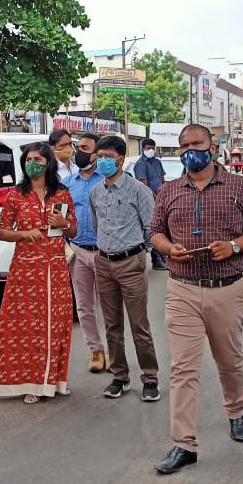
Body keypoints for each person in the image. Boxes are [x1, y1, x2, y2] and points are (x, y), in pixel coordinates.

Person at [149, 124, 243, 475]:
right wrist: (168, 248)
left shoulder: (239, 186)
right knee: (182, 368)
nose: (191, 150)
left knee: (229, 360)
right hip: (182, 289)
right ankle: (183, 444)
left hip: (228, 289)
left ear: (213, 146)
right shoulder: (168, 191)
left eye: (197, 143)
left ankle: (237, 411)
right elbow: (155, 232)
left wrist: (234, 246)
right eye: (184, 145)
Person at [0, 142, 78, 404]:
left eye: (37, 159)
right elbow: (2, 231)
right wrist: (24, 234)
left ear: (48, 162)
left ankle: (55, 380)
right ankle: (31, 382)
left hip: (56, 266)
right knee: (27, 325)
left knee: (56, 323)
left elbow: (73, 231)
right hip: (25, 269)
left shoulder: (61, 193)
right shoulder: (16, 195)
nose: (32, 163)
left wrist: (65, 223)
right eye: (28, 160)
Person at [88, 136, 161, 402]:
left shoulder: (138, 190)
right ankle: (120, 376)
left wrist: (141, 254)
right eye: (99, 156)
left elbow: (151, 227)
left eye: (107, 156)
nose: (102, 160)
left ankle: (150, 377)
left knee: (139, 324)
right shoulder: (95, 191)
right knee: (111, 325)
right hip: (104, 262)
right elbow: (97, 226)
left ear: (120, 158)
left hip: (131, 262)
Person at [62, 133, 108, 373]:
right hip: (78, 251)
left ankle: (115, 351)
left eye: (85, 148)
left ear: (96, 154)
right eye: (77, 147)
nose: (79, 152)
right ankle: (96, 351)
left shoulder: (108, 181)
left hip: (106, 253)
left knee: (111, 306)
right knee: (84, 306)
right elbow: (61, 218)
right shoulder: (69, 184)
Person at [132, 138, 168, 271]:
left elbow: (162, 180)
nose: (151, 150)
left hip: (161, 199)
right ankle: (157, 260)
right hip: (149, 201)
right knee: (152, 230)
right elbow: (144, 184)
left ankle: (164, 257)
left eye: (152, 147)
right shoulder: (140, 164)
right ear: (142, 149)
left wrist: (165, 195)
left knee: (162, 228)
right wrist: (156, 198)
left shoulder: (157, 162)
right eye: (148, 148)